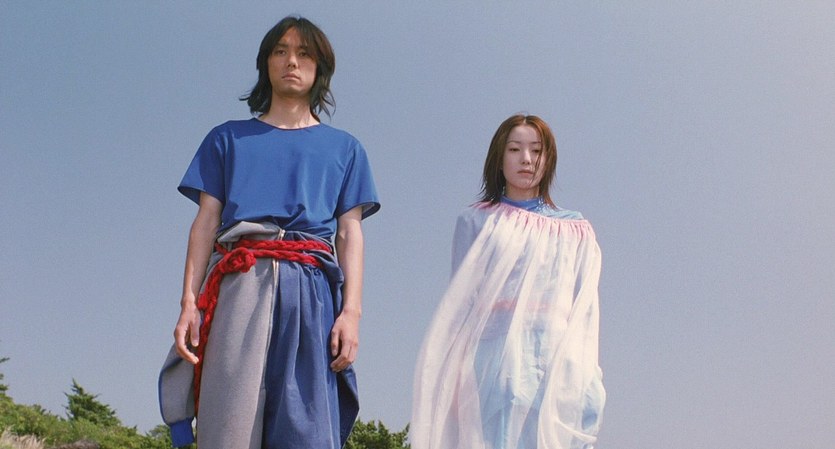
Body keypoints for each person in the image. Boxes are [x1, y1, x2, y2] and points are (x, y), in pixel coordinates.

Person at [158, 16, 380, 449]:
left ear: (320, 68)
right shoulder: (227, 139)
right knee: (230, 424)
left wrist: (351, 314)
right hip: (239, 282)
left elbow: (349, 234)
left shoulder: (346, 149)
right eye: (280, 52)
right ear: (266, 64)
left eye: (303, 53)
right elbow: (205, 223)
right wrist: (188, 304)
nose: (291, 62)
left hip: (312, 292)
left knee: (307, 429)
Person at [410, 114, 605, 449]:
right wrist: (455, 377)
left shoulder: (575, 230)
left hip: (555, 362)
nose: (526, 159)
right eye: (515, 149)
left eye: (536, 150)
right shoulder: (477, 220)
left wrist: (585, 373)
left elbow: (583, 311)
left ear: (549, 159)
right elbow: (461, 305)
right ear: (499, 159)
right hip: (494, 364)